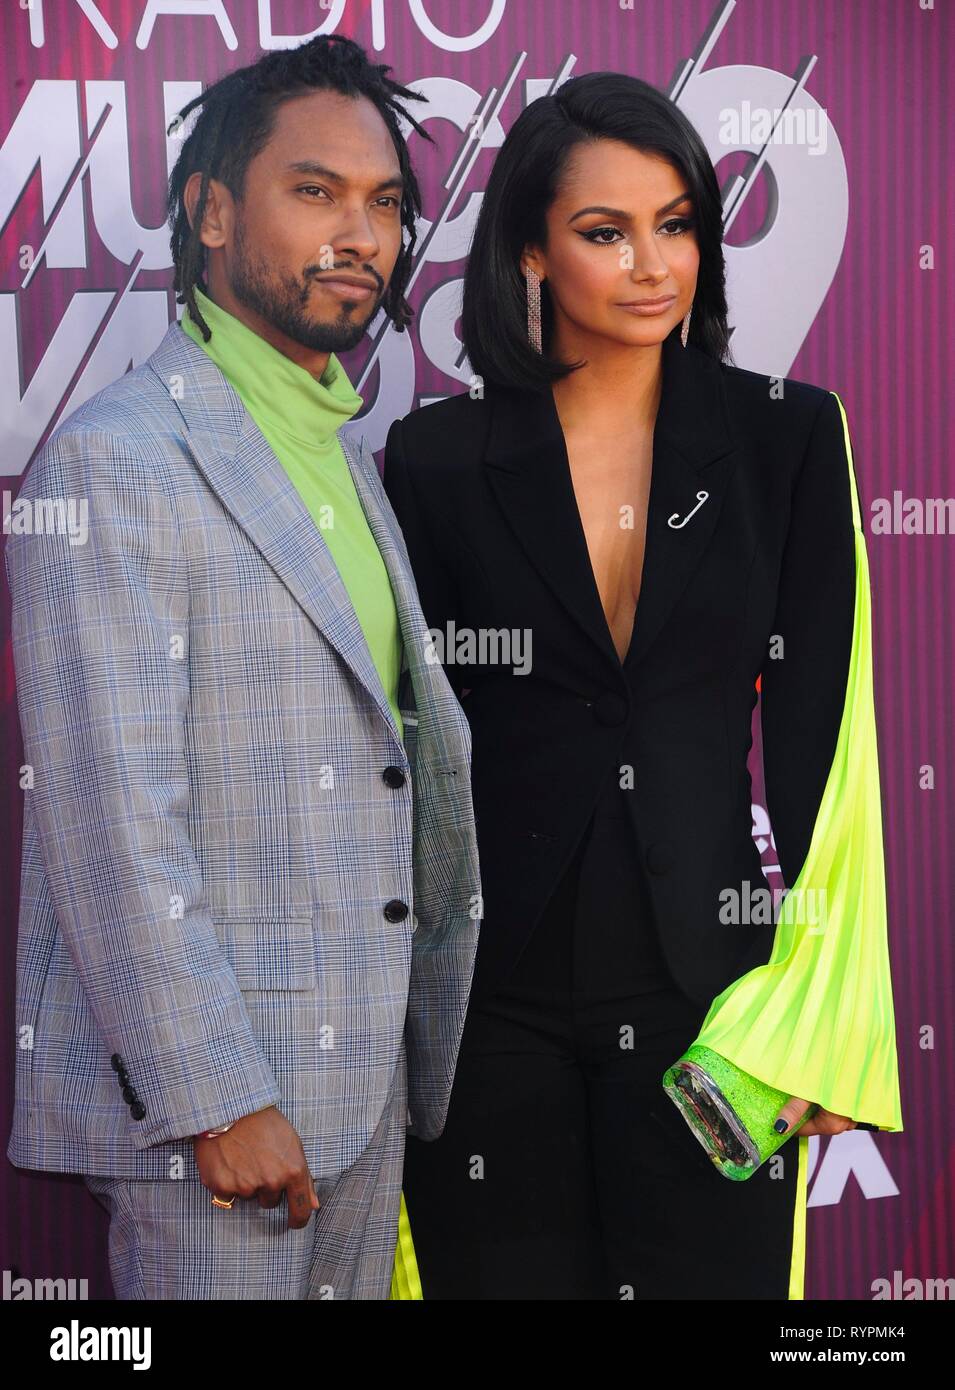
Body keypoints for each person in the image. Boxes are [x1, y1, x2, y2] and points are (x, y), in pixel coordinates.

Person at [383, 72, 901, 1299]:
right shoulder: (435, 457)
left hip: (709, 998)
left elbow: (832, 746)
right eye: (604, 232)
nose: (652, 263)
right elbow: (403, 753)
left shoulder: (786, 435)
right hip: (484, 1003)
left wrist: (819, 1017)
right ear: (527, 250)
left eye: (676, 223)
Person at [5, 35, 480, 1301]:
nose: (359, 234)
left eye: (383, 203)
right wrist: (216, 1094)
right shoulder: (120, 463)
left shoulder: (343, 455)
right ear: (213, 212)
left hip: (358, 1102)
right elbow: (113, 825)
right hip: (220, 1128)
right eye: (313, 191)